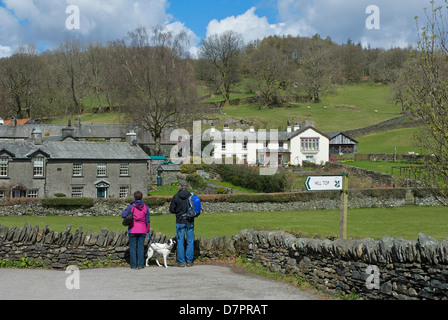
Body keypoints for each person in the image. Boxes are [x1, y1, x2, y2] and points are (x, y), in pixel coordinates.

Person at [121, 191, 150, 269]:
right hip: (142, 229)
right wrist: (147, 230)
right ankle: (140, 265)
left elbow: (123, 214)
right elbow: (147, 220)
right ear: (141, 197)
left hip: (133, 229)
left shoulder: (131, 206)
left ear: (134, 197)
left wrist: (130, 216)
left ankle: (133, 265)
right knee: (141, 247)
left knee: (133, 247)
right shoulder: (145, 207)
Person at [169, 180, 195, 267]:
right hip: (190, 221)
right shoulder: (191, 196)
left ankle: (181, 262)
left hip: (180, 221)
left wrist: (178, 211)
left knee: (180, 241)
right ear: (186, 186)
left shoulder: (176, 197)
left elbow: (171, 210)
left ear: (180, 186)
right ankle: (189, 261)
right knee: (190, 241)